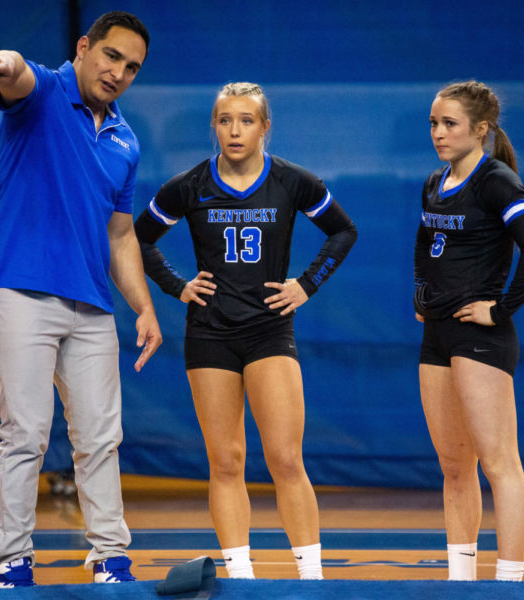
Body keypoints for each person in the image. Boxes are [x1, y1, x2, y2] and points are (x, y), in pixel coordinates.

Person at [134, 82, 357, 580]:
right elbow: (137, 238)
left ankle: (312, 578)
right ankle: (240, 575)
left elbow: (343, 231)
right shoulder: (188, 186)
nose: (235, 130)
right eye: (225, 120)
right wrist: (176, 285)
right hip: (209, 333)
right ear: (213, 126)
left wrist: (307, 284)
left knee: (284, 457)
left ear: (265, 127)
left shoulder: (292, 181)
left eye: (246, 120)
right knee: (226, 459)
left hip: (268, 332)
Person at [0, 11, 161, 588]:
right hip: (19, 290)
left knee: (101, 437)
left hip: (92, 304)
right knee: (25, 432)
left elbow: (121, 232)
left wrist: (145, 305)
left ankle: (109, 556)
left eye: (131, 67)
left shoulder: (125, 139)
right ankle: (12, 561)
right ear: (83, 48)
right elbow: (16, 73)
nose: (118, 72)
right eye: (111, 57)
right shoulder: (47, 90)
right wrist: (1, 63)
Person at [413, 81, 524, 582]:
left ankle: (509, 583)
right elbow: (425, 240)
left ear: (481, 129)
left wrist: (500, 310)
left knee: (499, 463)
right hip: (437, 338)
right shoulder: (434, 182)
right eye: (433, 123)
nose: (438, 133)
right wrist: (421, 296)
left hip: (481, 339)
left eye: (449, 124)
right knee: (454, 467)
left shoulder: (497, 181)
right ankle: (461, 581)